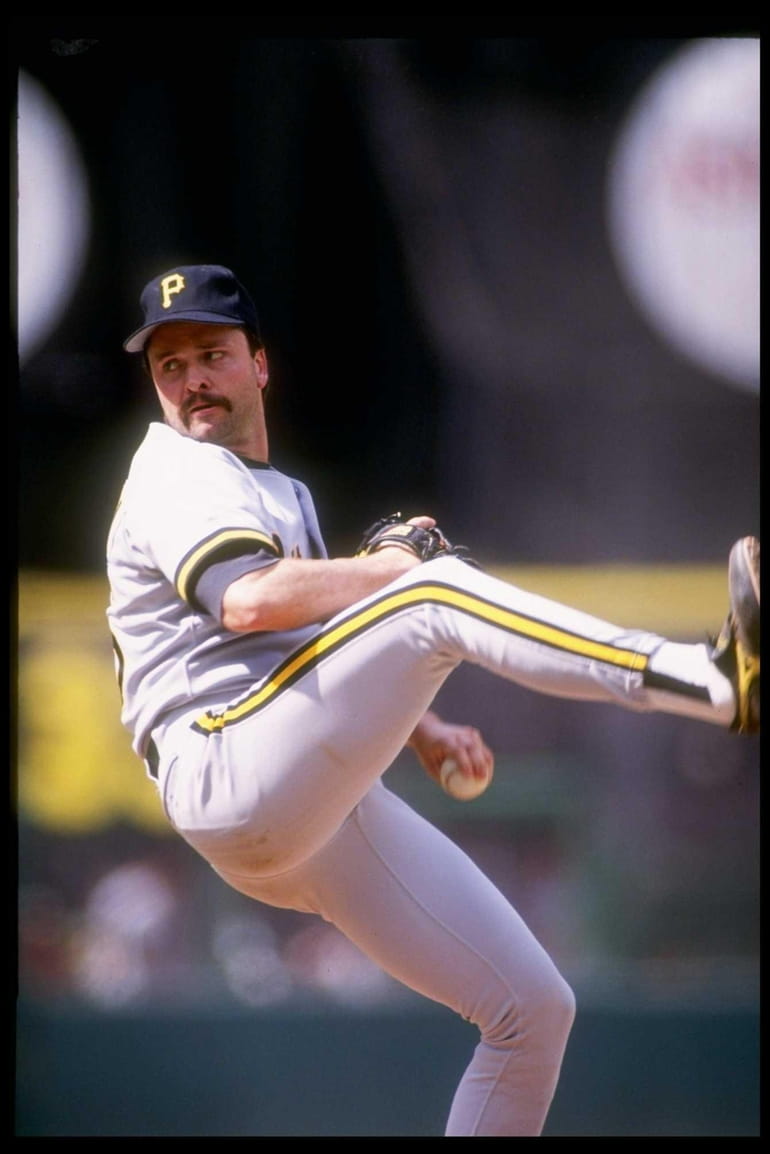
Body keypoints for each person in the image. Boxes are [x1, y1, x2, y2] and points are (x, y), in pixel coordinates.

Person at [107, 264, 759, 1138]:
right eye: (170, 365)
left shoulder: (273, 492)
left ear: (259, 365)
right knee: (435, 593)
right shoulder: (177, 470)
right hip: (224, 764)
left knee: (531, 1012)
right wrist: (392, 573)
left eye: (210, 355)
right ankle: (712, 681)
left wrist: (422, 727)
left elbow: (288, 649)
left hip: (295, 803)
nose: (190, 380)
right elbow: (248, 600)